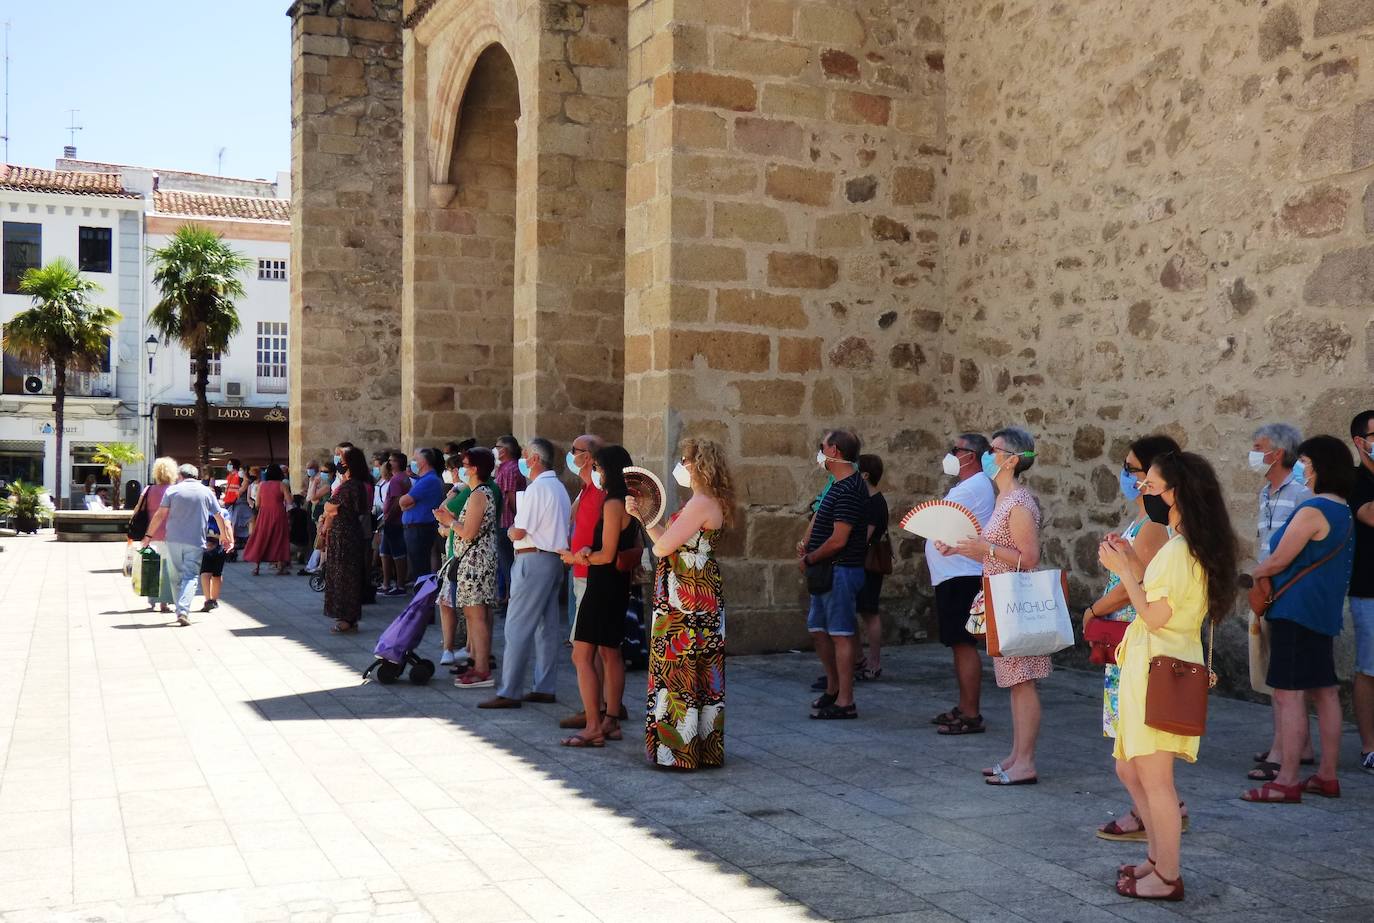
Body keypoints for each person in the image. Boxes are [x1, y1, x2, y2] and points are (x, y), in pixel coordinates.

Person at [1099, 450, 1239, 902]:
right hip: (1152, 667)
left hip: (1160, 670)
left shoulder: (1180, 550)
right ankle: (1157, 861)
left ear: (1177, 494)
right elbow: (1161, 595)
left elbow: (1156, 615)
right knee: (1132, 768)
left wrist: (1122, 571)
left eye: (1151, 487)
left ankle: (1168, 875)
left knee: (1155, 780)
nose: (1144, 493)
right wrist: (1133, 563)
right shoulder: (1181, 546)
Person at [1242, 436, 1356, 803]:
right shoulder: (1344, 510)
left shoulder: (1313, 510)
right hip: (1322, 610)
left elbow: (1279, 559)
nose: (1304, 469)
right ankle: (1327, 775)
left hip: (1295, 609)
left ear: (1321, 466)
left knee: (1289, 696)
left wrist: (1255, 574)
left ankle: (1287, 780)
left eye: (1307, 463)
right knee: (1325, 692)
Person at [1086, 435, 1184, 841]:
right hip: (1129, 637)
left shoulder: (1154, 528)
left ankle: (1153, 816)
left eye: (1134, 471)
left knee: (1134, 743)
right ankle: (1152, 812)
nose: (1127, 477)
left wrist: (1094, 610)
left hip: (1135, 635)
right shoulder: (1141, 522)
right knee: (1128, 738)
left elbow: (1132, 585)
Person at [944, 427, 1045, 784]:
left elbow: (1029, 557)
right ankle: (1017, 756)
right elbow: (991, 544)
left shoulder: (1019, 502)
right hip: (1001, 599)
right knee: (1013, 681)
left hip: (1016, 600)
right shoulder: (1004, 499)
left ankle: (1026, 761)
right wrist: (959, 547)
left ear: (1013, 460)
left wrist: (982, 550)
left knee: (1023, 680)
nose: (989, 455)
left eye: (995, 450)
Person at [634, 437, 732, 768]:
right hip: (697, 588)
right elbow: (667, 540)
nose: (681, 465)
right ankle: (700, 748)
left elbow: (663, 548)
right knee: (700, 667)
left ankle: (679, 752)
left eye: (685, 460)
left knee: (680, 667)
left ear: (697, 464)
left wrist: (645, 517)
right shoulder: (707, 500)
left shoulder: (700, 503)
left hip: (687, 598)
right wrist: (644, 517)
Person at [480, 438, 571, 709]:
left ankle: (510, 690)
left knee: (517, 626)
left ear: (533, 459)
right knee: (547, 627)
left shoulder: (537, 489)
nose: (522, 460)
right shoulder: (559, 488)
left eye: (524, 456)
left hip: (533, 559)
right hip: (553, 560)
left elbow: (519, 530)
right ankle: (544, 686)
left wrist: (509, 531)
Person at [1249, 422, 1315, 779]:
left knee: (1287, 679)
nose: (1254, 453)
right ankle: (1295, 744)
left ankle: (1282, 751)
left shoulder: (1302, 492)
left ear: (1277, 452)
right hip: (1268, 590)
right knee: (1280, 674)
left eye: (1259, 447)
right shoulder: (1266, 493)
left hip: (1287, 590)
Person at [563, 445, 637, 747]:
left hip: (602, 584)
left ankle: (593, 725)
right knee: (610, 652)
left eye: (600, 467)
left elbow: (606, 555)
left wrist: (577, 558)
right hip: (617, 584)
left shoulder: (612, 504)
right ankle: (611, 721)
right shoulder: (630, 502)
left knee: (581, 654)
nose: (597, 473)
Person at [927, 433, 997, 735]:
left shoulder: (973, 487)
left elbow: (942, 524)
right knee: (958, 644)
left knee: (963, 643)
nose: (951, 455)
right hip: (954, 574)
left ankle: (971, 712)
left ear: (971, 455)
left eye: (956, 450)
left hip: (961, 574)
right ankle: (965, 706)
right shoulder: (969, 486)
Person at [799, 429, 868, 720]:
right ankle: (833, 688)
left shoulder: (850, 488)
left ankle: (846, 701)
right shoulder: (837, 485)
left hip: (840, 570)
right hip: (826, 571)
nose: (820, 451)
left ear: (835, 451)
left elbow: (839, 539)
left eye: (822, 446)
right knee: (818, 629)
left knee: (840, 633)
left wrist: (811, 557)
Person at [558, 433, 609, 730]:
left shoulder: (601, 492)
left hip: (589, 574)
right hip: (580, 573)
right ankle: (597, 707)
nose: (570, 455)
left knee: (582, 652)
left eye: (574, 451)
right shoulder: (587, 489)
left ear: (588, 457)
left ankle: (594, 716)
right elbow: (574, 519)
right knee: (591, 651)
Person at [141, 464, 233, 626]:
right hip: (196, 540)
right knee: (191, 576)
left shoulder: (173, 491)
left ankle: (180, 610)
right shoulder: (205, 491)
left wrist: (148, 536)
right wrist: (224, 537)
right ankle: (183, 610)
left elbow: (160, 515)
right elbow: (219, 516)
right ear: (196, 476)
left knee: (175, 577)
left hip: (173, 540)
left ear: (180, 475)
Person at [440, 447, 501, 688]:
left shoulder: (479, 494)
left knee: (476, 617)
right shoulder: (475, 491)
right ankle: (477, 663)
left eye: (465, 465)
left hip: (476, 561)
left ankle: (482, 668)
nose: (463, 469)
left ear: (475, 468)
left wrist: (449, 522)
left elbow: (468, 531)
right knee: (472, 614)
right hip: (472, 560)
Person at [1349, 410, 1374, 775]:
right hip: (1368, 588)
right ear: (1361, 442)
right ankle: (1370, 745)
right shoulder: (1353, 481)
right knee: (1370, 668)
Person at [320, 446, 369, 633]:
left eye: (343, 460)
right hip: (348, 533)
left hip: (344, 536)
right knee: (345, 575)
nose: (340, 463)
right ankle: (348, 616)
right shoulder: (355, 484)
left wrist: (330, 508)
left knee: (344, 576)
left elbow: (330, 507)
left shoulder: (350, 486)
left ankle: (346, 617)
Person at [855, 454, 890, 681]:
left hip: (867, 564)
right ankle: (861, 660)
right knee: (859, 611)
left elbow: (864, 537)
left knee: (869, 612)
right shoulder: (868, 500)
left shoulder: (874, 503)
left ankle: (874, 663)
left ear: (865, 475)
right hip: (861, 563)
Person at [398, 447, 444, 586]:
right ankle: (423, 601)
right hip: (416, 528)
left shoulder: (428, 480)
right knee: (419, 568)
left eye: (415, 460)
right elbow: (404, 504)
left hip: (420, 528)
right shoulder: (422, 479)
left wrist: (406, 504)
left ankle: (424, 602)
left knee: (421, 569)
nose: (413, 463)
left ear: (422, 462)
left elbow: (403, 501)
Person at [138, 457, 178, 614]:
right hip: (170, 533)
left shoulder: (148, 489)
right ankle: (164, 602)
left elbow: (137, 509)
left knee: (152, 566)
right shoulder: (175, 490)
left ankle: (152, 599)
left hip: (150, 533)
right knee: (168, 568)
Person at [493, 435, 526, 613]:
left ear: (504, 450)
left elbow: (511, 496)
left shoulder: (509, 469)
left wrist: (516, 517)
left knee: (508, 565)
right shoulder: (505, 468)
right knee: (504, 564)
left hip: (507, 522)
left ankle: (512, 602)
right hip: (505, 522)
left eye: (497, 447)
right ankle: (507, 598)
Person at [243, 464, 292, 576]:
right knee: (279, 538)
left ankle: (256, 567)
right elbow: (289, 501)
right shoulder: (282, 485)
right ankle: (280, 567)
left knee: (261, 537)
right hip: (279, 513)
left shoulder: (262, 485)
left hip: (264, 514)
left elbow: (258, 504)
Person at [378, 451, 411, 596]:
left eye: (392, 460)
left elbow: (398, 500)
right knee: (384, 552)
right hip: (392, 520)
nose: (389, 463)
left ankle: (400, 585)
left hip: (394, 521)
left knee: (397, 553)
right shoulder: (402, 478)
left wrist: (388, 517)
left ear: (398, 463)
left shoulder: (397, 480)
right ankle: (386, 584)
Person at [302, 460, 332, 574]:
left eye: (325, 471)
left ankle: (315, 565)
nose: (322, 473)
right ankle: (314, 564)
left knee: (320, 541)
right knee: (318, 540)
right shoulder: (320, 483)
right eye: (322, 471)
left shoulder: (327, 485)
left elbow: (311, 497)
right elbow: (311, 498)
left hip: (322, 513)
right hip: (317, 512)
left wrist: (314, 483)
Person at [200, 495, 229, 611]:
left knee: (205, 573)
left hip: (204, 546)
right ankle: (213, 600)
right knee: (216, 574)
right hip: (219, 546)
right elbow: (228, 526)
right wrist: (230, 540)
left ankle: (208, 600)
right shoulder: (224, 511)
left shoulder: (200, 511)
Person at [288, 494, 310, 564]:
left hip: (292, 543)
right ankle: (301, 556)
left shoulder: (290, 512)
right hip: (304, 543)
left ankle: (286, 559)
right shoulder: (306, 513)